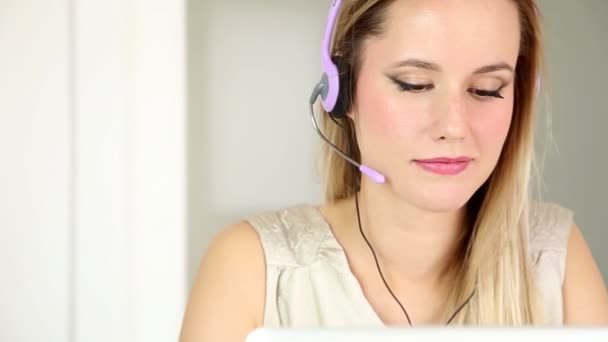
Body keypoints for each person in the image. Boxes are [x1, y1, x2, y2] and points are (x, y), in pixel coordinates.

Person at [178, 0, 608, 340]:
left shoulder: (555, 259)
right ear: (340, 91)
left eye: (487, 89)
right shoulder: (255, 269)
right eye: (414, 84)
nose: (454, 127)